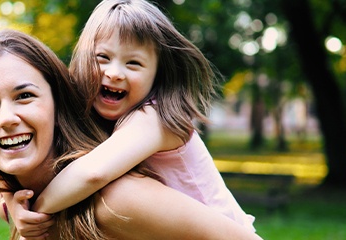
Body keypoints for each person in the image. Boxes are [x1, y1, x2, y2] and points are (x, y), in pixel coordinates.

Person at [0, 29, 261, 239]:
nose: (6, 119)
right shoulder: (22, 205)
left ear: (58, 102)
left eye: (24, 96)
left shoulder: (114, 201)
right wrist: (11, 202)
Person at [30, 0, 256, 232]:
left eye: (134, 63)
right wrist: (10, 201)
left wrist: (35, 212)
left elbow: (93, 174)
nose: (115, 73)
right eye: (103, 58)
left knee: (113, 194)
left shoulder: (155, 117)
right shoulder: (96, 116)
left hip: (227, 234)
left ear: (157, 75)